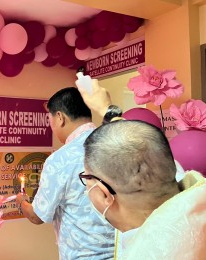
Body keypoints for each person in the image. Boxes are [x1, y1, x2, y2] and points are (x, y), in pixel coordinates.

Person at [78, 82, 206, 259]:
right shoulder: (192, 197)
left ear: (104, 194)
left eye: (85, 179)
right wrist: (109, 111)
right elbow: (144, 155)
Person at [15, 87, 115, 259]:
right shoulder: (116, 144)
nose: (52, 127)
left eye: (51, 120)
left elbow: (37, 216)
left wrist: (22, 202)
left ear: (60, 117)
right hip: (124, 252)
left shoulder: (59, 160)